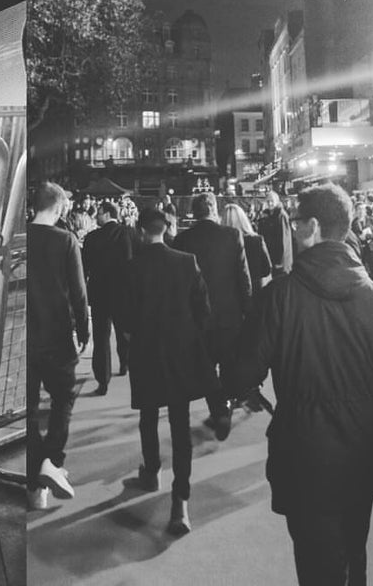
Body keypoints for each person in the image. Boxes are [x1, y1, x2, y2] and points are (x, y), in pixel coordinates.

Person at [237, 183, 373, 586]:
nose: (293, 229)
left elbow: (244, 372)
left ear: (312, 227)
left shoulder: (280, 297)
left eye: (296, 222)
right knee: (355, 550)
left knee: (316, 561)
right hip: (362, 447)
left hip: (304, 448)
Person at [116, 207, 216, 535]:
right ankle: (180, 501)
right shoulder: (187, 262)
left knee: (147, 416)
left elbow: (126, 319)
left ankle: (151, 470)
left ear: (142, 231)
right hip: (180, 355)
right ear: (166, 228)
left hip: (147, 354)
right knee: (180, 425)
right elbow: (203, 311)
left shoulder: (131, 269)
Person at [27, 182, 90, 508]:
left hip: (26, 337)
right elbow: (78, 293)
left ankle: (37, 481)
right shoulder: (66, 241)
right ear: (60, 206)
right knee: (63, 399)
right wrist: (84, 330)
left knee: (29, 408)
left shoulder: (22, 238)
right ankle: (51, 461)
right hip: (57, 334)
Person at [173, 193, 252, 440]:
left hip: (197, 317)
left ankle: (219, 407)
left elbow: (179, 285)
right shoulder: (232, 236)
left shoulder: (183, 239)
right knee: (228, 364)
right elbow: (243, 277)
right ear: (213, 210)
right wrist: (248, 311)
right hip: (229, 314)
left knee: (205, 368)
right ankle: (225, 405)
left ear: (194, 213)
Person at [82, 201, 134, 394]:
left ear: (106, 214)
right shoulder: (129, 234)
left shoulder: (91, 238)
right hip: (123, 291)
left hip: (99, 292)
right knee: (124, 331)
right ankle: (125, 364)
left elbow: (84, 267)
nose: (96, 215)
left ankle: (103, 379)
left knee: (101, 336)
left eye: (99, 213)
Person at [222, 203, 272, 302]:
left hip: (230, 296)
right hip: (255, 293)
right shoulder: (257, 240)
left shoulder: (221, 243)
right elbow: (266, 269)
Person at [258, 190, 294, 275]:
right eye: (268, 201)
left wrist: (279, 261)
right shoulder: (270, 215)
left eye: (272, 201)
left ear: (277, 201)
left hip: (280, 263)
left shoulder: (281, 215)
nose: (270, 203)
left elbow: (284, 239)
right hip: (273, 260)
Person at [351, 202, 373, 284]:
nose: (361, 211)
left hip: (371, 248)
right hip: (360, 250)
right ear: (355, 211)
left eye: (362, 209)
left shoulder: (370, 219)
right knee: (362, 271)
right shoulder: (353, 222)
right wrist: (358, 238)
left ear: (365, 210)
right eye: (358, 209)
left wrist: (368, 236)